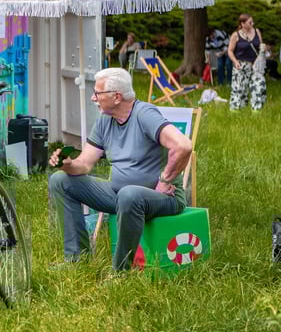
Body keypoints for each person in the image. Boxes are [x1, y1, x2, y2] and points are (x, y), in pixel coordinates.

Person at [48, 67, 192, 271]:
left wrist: (166, 180)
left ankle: (121, 271)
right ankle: (76, 259)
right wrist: (68, 164)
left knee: (129, 194)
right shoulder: (105, 120)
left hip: (163, 198)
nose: (93, 98)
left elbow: (183, 145)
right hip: (120, 196)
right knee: (60, 180)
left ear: (117, 97)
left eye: (97, 93)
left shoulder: (145, 114)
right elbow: (85, 164)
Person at [227, 13, 267, 111]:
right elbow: (230, 51)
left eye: (252, 21)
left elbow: (260, 45)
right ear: (243, 24)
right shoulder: (235, 35)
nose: (252, 24)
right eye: (250, 22)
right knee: (239, 90)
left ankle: (256, 111)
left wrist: (263, 48)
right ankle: (236, 111)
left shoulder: (257, 31)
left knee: (258, 87)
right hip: (241, 65)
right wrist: (235, 62)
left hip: (255, 65)